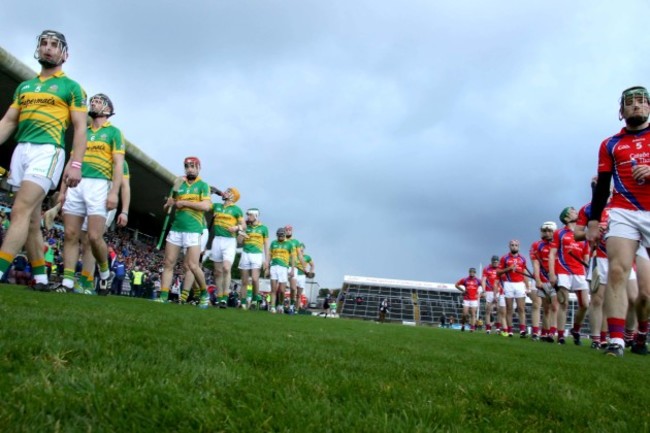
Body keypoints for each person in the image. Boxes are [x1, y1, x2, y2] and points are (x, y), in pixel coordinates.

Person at [0, 30, 87, 290]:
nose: (48, 49)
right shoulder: (24, 87)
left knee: (19, 210)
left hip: (47, 151)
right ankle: (40, 279)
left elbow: (81, 128)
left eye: (54, 45)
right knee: (30, 220)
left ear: (64, 54)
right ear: (38, 49)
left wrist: (76, 164)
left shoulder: (71, 87)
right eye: (44, 44)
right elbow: (8, 121)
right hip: (22, 150)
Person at [587, 85, 650, 356]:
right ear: (621, 110)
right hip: (623, 211)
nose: (635, 106)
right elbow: (603, 185)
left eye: (641, 101)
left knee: (645, 295)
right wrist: (592, 221)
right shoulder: (610, 144)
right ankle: (616, 342)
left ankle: (641, 332)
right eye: (630, 102)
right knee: (616, 271)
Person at [55, 94, 125, 294]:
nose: (93, 103)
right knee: (70, 234)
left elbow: (118, 164)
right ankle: (67, 282)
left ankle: (104, 272)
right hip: (77, 183)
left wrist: (114, 193)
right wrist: (62, 191)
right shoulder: (82, 132)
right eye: (92, 100)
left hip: (99, 185)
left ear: (108, 109)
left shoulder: (114, 133)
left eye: (98, 101)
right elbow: (71, 162)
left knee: (94, 237)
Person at [158, 157, 212, 307]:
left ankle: (204, 293)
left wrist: (185, 203)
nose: (190, 169)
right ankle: (163, 296)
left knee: (193, 266)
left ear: (198, 168)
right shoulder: (179, 184)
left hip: (193, 230)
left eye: (193, 166)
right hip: (176, 228)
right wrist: (169, 204)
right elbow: (168, 208)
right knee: (168, 263)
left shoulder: (203, 185)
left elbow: (206, 206)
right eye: (187, 166)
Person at [549, 207, 590, 345]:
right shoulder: (559, 233)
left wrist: (587, 265)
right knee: (564, 303)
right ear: (566, 218)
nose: (576, 211)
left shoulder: (582, 234)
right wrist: (552, 273)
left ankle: (576, 330)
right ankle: (560, 336)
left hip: (579, 272)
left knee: (585, 304)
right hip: (563, 271)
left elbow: (586, 254)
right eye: (572, 211)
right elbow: (552, 254)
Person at [210, 187, 245, 307]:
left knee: (226, 268)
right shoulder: (217, 206)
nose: (226, 192)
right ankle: (219, 297)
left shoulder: (236, 210)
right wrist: (209, 192)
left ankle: (225, 296)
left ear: (233, 197)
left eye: (229, 192)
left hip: (229, 241)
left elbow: (243, 225)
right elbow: (205, 205)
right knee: (217, 272)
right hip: (217, 240)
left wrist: (236, 228)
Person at [530, 221, 559, 342]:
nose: (546, 233)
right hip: (543, 280)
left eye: (549, 231)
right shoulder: (536, 245)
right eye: (544, 231)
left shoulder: (559, 244)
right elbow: (535, 264)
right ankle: (543, 333)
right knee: (546, 308)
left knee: (555, 306)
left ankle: (552, 333)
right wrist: (537, 280)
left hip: (557, 279)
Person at [496, 240, 531, 338]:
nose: (514, 247)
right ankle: (510, 331)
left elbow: (525, 273)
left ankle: (522, 331)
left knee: (521, 308)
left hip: (519, 284)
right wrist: (509, 269)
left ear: (518, 247)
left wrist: (527, 286)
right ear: (509, 246)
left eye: (516, 245)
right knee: (510, 309)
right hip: (508, 284)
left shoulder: (523, 259)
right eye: (512, 245)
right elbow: (498, 272)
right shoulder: (504, 258)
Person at [237, 208, 269, 309]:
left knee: (255, 279)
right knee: (244, 281)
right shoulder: (246, 227)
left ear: (255, 216)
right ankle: (243, 303)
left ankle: (254, 300)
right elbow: (239, 242)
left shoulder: (264, 228)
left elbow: (266, 246)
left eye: (250, 215)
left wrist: (267, 260)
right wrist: (243, 230)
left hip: (257, 255)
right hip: (245, 254)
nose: (248, 217)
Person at [266, 227, 294, 313]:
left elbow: (292, 258)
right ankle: (273, 307)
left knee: (282, 290)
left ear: (284, 235)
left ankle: (280, 305)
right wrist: (267, 267)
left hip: (283, 267)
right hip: (274, 266)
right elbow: (269, 255)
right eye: (278, 236)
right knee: (273, 289)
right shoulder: (273, 243)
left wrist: (292, 269)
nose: (280, 237)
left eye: (281, 236)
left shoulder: (289, 244)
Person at [284, 225, 307, 313]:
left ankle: (292, 306)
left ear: (292, 231)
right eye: (286, 230)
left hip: (293, 267)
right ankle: (279, 306)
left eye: (290, 230)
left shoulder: (296, 242)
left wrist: (304, 267)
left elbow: (300, 255)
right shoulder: (282, 240)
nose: (288, 231)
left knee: (293, 289)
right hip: (283, 265)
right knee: (280, 289)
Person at [455, 267, 482, 332]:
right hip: (466, 299)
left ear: (475, 273)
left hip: (474, 299)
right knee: (464, 314)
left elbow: (484, 286)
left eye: (473, 272)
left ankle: (472, 328)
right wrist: (463, 291)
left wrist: (480, 294)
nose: (471, 273)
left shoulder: (478, 280)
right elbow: (456, 285)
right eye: (470, 272)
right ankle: (463, 325)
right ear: (469, 272)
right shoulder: (465, 279)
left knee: (473, 314)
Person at [481, 255, 500, 334]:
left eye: (496, 262)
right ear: (491, 261)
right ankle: (488, 328)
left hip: (498, 291)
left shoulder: (501, 268)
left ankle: (498, 328)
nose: (495, 263)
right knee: (488, 310)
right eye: (494, 262)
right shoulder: (486, 269)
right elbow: (483, 280)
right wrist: (483, 291)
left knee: (499, 309)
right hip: (489, 291)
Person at [296, 247, 315, 311]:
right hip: (294, 275)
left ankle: (297, 309)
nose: (300, 250)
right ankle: (291, 307)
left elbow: (312, 265)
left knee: (299, 294)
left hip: (302, 276)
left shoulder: (307, 257)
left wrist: (310, 272)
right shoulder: (295, 256)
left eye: (302, 249)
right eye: (299, 249)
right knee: (293, 292)